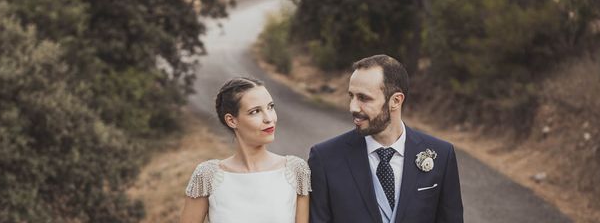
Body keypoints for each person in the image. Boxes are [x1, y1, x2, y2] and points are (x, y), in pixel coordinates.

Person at [308, 55, 463, 223]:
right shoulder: (324, 158)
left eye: (363, 98)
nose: (352, 107)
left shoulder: (441, 155)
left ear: (396, 101)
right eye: (351, 96)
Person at [180, 77, 311, 223]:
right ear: (232, 120)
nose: (269, 118)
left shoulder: (296, 170)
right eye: (255, 111)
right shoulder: (207, 176)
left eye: (270, 107)